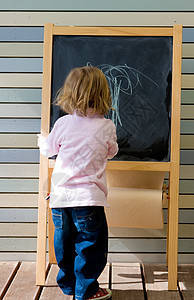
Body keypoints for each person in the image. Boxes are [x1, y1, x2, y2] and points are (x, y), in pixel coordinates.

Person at [38, 66, 118, 300]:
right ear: (104, 94)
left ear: (70, 93)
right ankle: (88, 290)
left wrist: (42, 141)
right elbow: (111, 151)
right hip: (89, 198)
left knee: (63, 242)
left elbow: (49, 149)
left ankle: (69, 286)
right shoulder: (107, 126)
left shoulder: (63, 124)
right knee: (89, 245)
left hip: (61, 198)